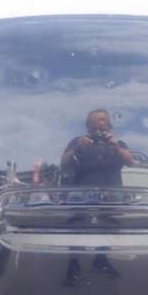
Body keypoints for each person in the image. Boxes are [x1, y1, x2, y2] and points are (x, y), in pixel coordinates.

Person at [60, 109, 134, 285]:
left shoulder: (118, 143)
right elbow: (63, 164)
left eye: (102, 121)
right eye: (93, 122)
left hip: (111, 192)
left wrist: (116, 146)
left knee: (107, 225)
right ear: (88, 126)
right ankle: (73, 265)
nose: (98, 125)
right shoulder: (78, 141)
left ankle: (101, 260)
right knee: (77, 227)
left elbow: (131, 162)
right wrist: (78, 148)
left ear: (109, 125)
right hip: (81, 192)